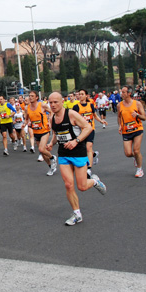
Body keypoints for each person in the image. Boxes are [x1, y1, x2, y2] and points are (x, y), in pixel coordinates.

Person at [46, 92, 107, 226]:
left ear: (62, 102)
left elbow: (88, 127)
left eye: (55, 102)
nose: (53, 105)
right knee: (68, 184)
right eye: (50, 102)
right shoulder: (52, 118)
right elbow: (57, 134)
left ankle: (95, 182)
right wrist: (51, 143)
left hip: (78, 152)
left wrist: (76, 140)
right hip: (63, 154)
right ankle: (77, 213)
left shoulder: (71, 114)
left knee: (82, 186)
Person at [74, 89, 107, 177]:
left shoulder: (90, 105)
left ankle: (89, 168)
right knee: (85, 148)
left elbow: (95, 115)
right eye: (79, 94)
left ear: (86, 96)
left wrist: (101, 121)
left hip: (90, 129)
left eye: (82, 94)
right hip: (81, 131)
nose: (80, 95)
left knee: (88, 147)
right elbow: (73, 119)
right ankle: (94, 154)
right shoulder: (76, 107)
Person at [117, 85, 146, 178]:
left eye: (123, 92)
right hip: (126, 130)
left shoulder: (137, 104)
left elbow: (144, 117)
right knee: (128, 153)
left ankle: (139, 169)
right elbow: (119, 116)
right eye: (121, 92)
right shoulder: (119, 105)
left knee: (136, 150)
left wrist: (137, 115)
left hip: (137, 129)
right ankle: (136, 158)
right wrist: (120, 126)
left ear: (129, 93)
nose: (121, 94)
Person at [25, 91, 55, 174]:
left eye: (32, 96)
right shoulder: (28, 107)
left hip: (44, 130)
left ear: (36, 97)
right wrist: (27, 122)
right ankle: (51, 166)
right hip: (36, 131)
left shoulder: (42, 105)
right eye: (29, 96)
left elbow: (51, 112)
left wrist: (49, 121)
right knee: (42, 152)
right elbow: (27, 118)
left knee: (41, 149)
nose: (30, 97)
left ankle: (52, 158)